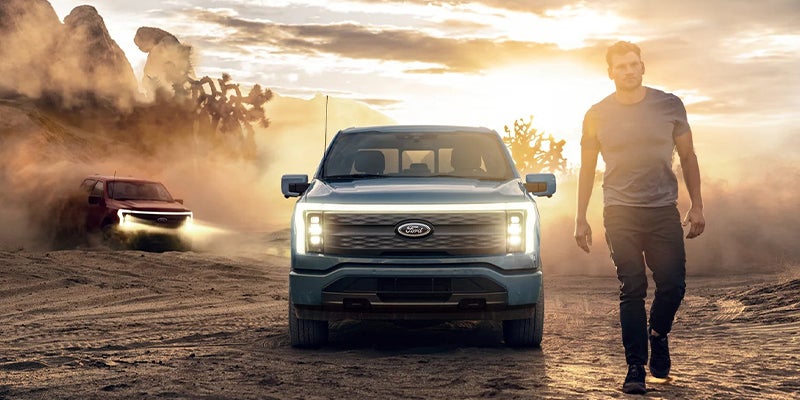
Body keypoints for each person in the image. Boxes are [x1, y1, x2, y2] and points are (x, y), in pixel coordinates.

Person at [574, 41, 705, 395]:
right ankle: (635, 367)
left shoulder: (670, 105)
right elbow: (587, 170)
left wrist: (697, 205)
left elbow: (689, 156)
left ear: (642, 67)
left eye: (634, 64)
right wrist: (580, 218)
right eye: (621, 66)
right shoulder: (596, 114)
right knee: (632, 287)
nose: (629, 70)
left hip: (663, 209)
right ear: (610, 72)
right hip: (619, 211)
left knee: (673, 285)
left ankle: (657, 333)